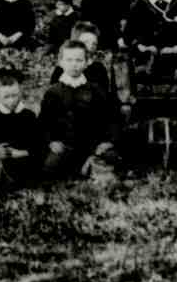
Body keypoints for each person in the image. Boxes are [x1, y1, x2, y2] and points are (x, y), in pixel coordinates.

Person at [38, 37, 120, 180]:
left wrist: (107, 141)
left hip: (91, 145)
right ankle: (81, 169)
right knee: (49, 166)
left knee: (111, 156)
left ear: (87, 62)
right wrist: (52, 141)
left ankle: (89, 165)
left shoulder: (96, 90)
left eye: (78, 60)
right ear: (61, 62)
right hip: (64, 145)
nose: (74, 65)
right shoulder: (53, 92)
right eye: (69, 60)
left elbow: (111, 118)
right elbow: (44, 122)